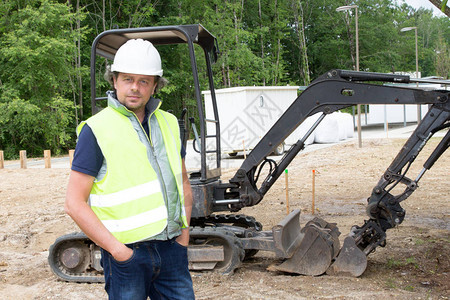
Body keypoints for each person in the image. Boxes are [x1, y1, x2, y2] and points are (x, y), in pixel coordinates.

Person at [65, 38, 195, 300]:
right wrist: (119, 252)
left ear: (155, 84)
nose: (135, 87)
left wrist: (184, 236)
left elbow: (182, 182)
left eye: (144, 80)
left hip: (172, 250)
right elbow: (74, 203)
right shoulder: (96, 129)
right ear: (114, 80)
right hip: (127, 256)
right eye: (127, 79)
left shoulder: (169, 123)